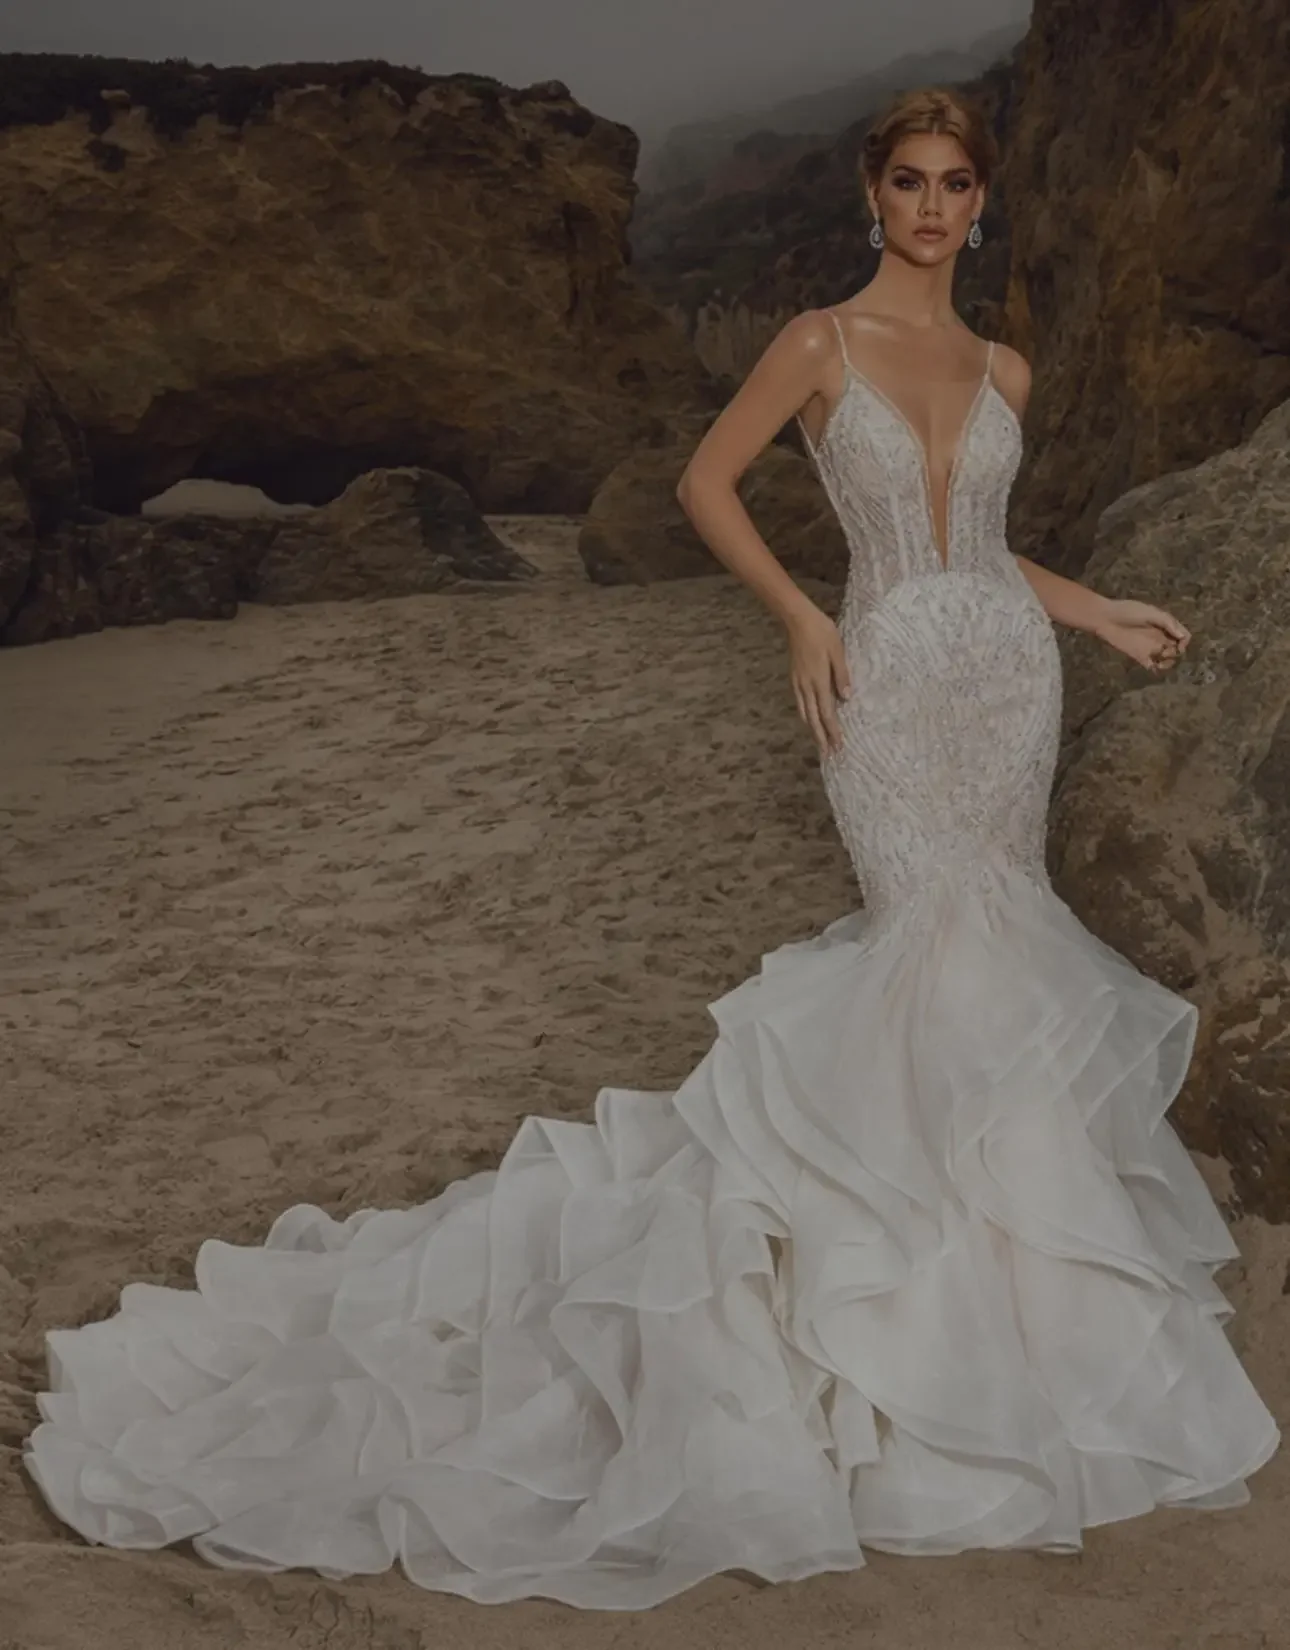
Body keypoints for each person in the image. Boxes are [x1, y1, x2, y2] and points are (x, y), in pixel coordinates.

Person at [22, 87, 1279, 1612]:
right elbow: (702, 484)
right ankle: (882, 1319)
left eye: (956, 183)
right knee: (923, 944)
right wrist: (806, 615)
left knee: (996, 953)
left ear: (978, 203)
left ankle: (997, 1322)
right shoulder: (817, 344)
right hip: (876, 682)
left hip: (1004, 678)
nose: (933, 206)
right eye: (907, 180)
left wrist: (1096, 610)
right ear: (868, 197)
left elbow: (978, 548)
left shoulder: (1001, 361)